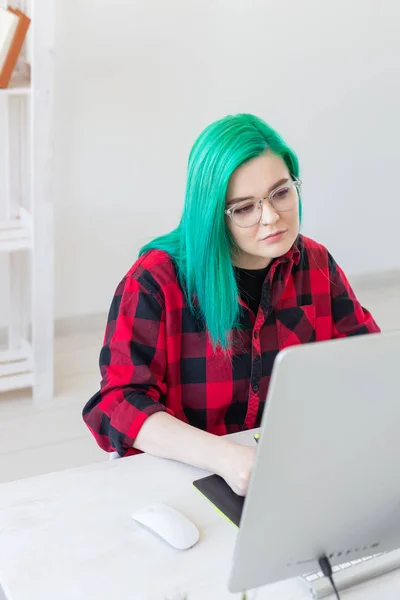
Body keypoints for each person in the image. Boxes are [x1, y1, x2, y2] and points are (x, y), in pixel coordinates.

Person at [82, 113, 380, 496]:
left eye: (281, 193)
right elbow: (119, 404)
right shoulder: (155, 280)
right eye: (244, 208)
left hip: (285, 471)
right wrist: (226, 457)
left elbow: (369, 360)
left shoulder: (315, 263)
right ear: (213, 215)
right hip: (182, 474)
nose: (272, 217)